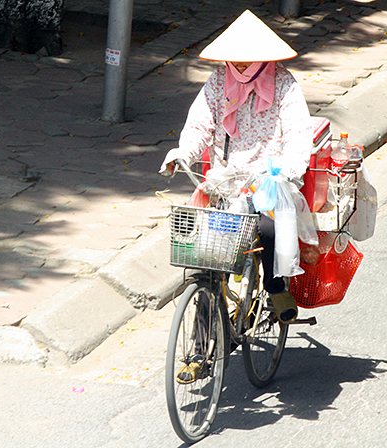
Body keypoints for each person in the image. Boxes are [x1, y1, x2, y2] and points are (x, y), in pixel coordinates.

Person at [159, 10, 312, 384]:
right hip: (227, 182)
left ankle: (275, 286)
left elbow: (298, 135)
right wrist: (182, 154)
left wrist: (288, 166)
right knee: (207, 260)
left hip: (270, 182)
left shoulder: (285, 86)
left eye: (248, 58)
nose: (240, 65)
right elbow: (198, 125)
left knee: (269, 230)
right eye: (235, 58)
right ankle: (198, 349)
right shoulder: (217, 82)